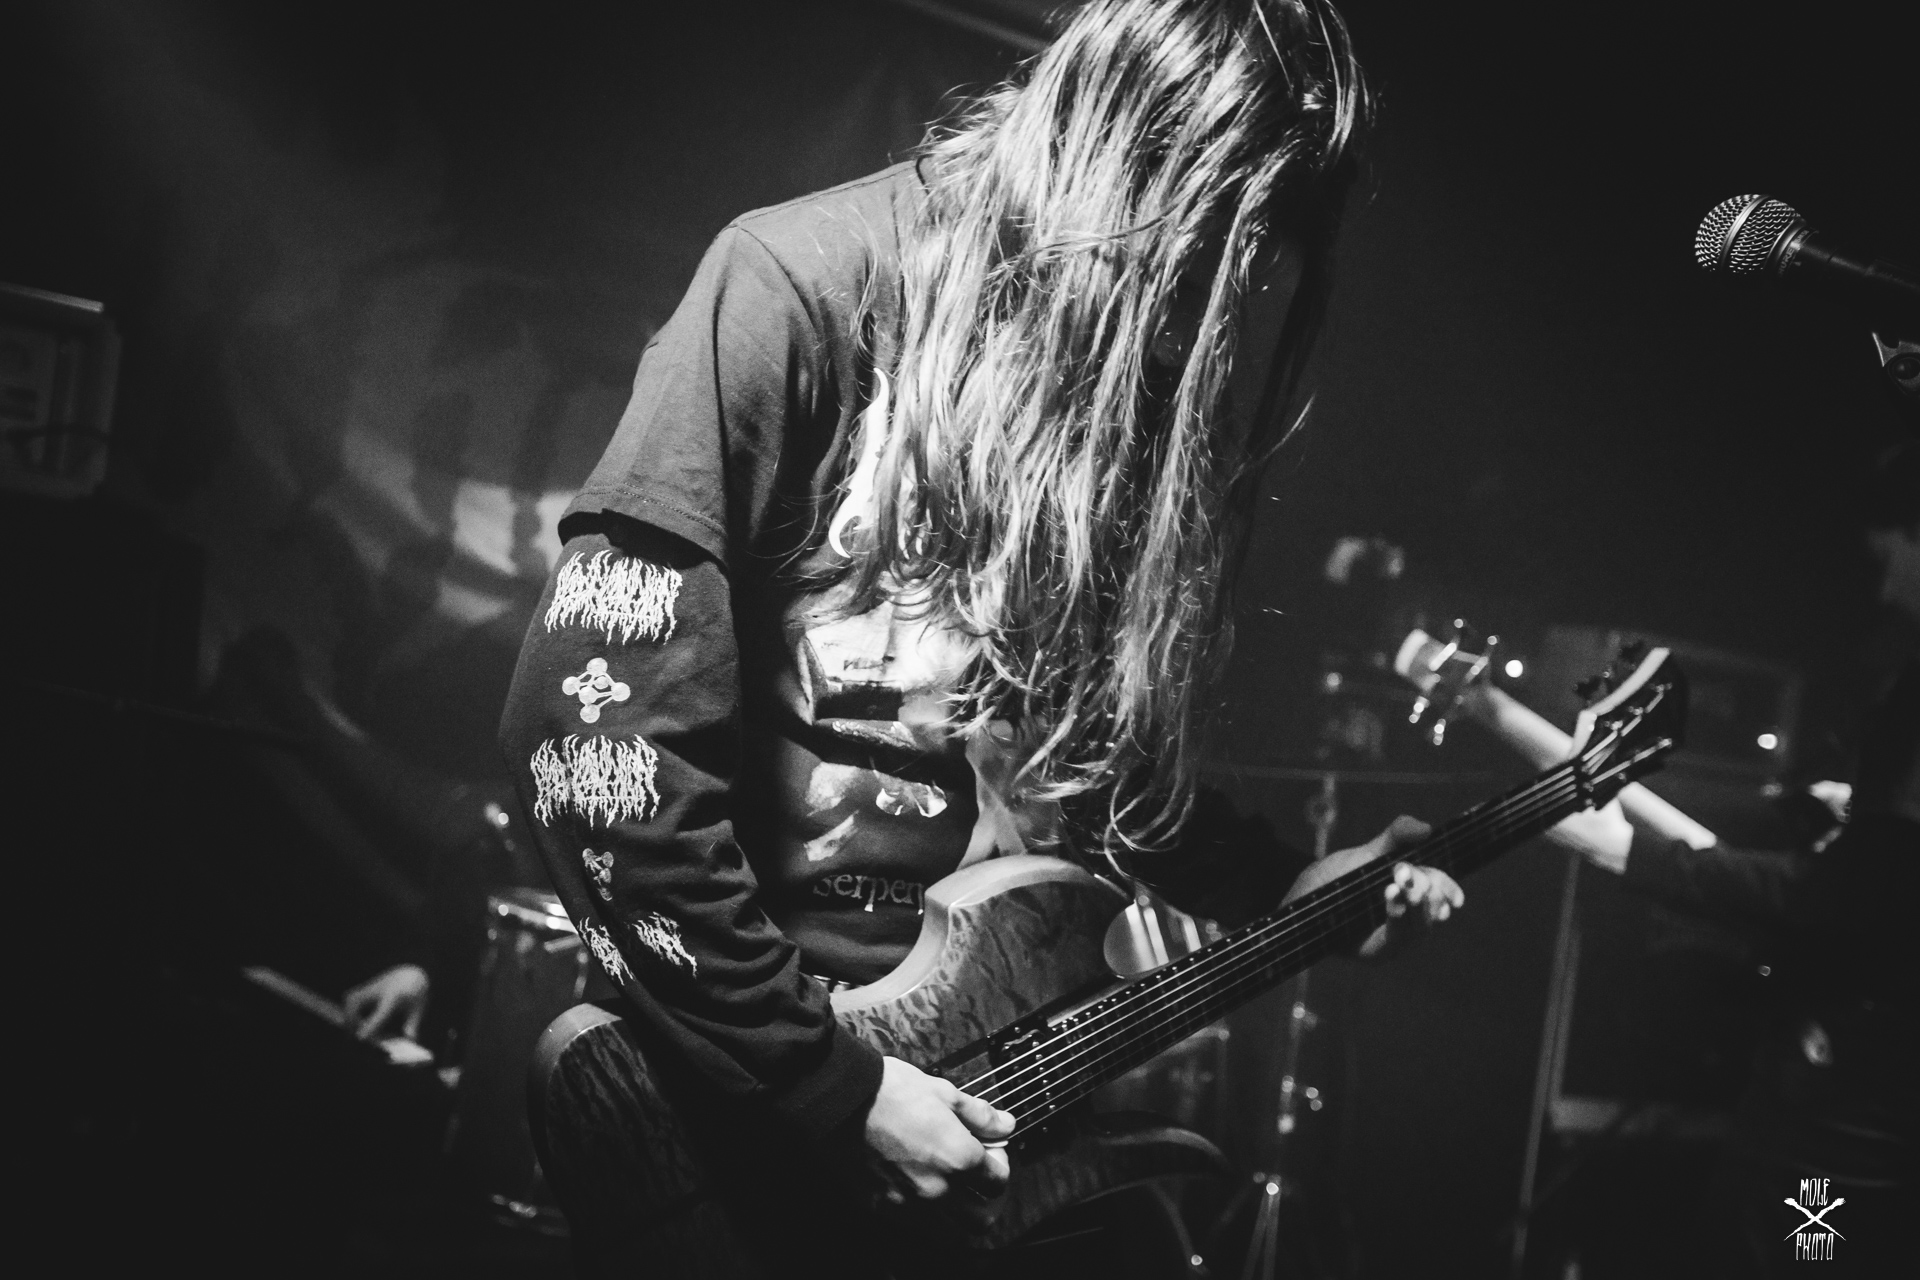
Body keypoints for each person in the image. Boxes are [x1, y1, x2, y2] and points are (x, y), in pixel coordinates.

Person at [498, 2, 1463, 1272]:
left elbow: (1072, 757)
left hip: (989, 1114)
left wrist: (1281, 884)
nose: (1193, 324)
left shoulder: (1108, 390)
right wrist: (830, 1082)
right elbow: (589, 741)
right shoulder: (799, 286)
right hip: (753, 1122)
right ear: (1122, 174)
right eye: (1192, 263)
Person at [1545, 445, 1917, 1276]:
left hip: (1853, 1111)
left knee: (1800, 1253)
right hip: (1858, 1090)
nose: (1884, 583)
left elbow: (1850, 899)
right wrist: (1856, 817)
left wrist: (1637, 857)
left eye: (1893, 552)